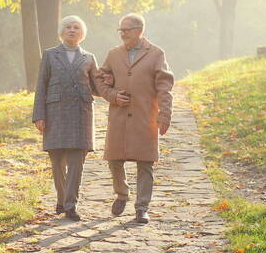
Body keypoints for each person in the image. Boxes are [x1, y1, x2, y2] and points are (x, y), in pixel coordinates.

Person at [95, 13, 174, 223]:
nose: (122, 34)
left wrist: (165, 115)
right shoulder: (113, 54)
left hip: (145, 116)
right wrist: (112, 95)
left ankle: (142, 208)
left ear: (139, 30)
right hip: (119, 117)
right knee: (114, 160)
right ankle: (122, 194)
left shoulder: (156, 54)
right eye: (120, 30)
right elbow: (99, 79)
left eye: (126, 30)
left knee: (145, 163)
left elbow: (165, 87)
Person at [32, 15, 100, 221]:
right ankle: (62, 200)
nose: (72, 30)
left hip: (81, 114)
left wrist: (116, 83)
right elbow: (41, 86)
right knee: (57, 163)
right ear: (62, 31)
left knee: (76, 162)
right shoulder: (50, 55)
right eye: (68, 27)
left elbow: (98, 87)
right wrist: (39, 116)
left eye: (76, 27)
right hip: (55, 115)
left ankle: (71, 205)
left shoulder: (89, 58)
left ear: (82, 33)